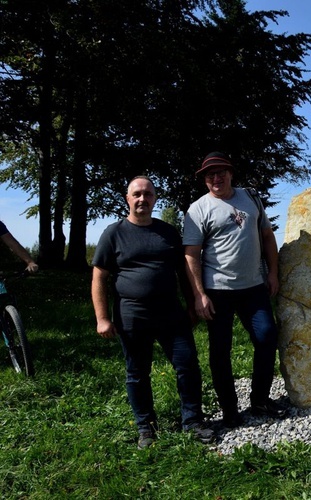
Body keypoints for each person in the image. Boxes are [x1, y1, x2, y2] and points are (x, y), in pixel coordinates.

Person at [91, 176, 214, 449]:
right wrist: (102, 318)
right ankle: (146, 428)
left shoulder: (168, 232)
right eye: (136, 194)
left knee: (188, 366)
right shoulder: (114, 233)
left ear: (155, 199)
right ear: (127, 198)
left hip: (171, 313)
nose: (142, 199)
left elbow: (184, 271)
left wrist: (195, 300)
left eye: (147, 194)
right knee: (137, 372)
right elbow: (99, 277)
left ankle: (193, 422)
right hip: (132, 315)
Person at [183, 151, 286, 428]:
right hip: (217, 291)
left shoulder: (251, 198)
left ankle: (260, 399)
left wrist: (273, 273)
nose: (215, 178)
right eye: (209, 174)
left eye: (220, 172)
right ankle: (230, 409)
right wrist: (199, 294)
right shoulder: (198, 209)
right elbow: (191, 254)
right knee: (220, 352)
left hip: (254, 287)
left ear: (230, 173)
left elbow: (267, 236)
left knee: (267, 338)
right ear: (204, 180)